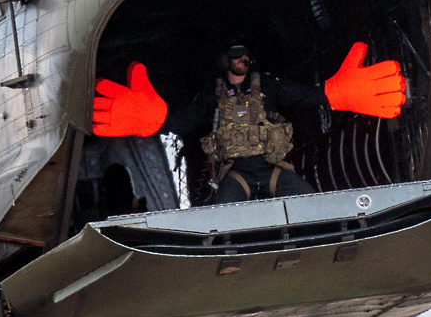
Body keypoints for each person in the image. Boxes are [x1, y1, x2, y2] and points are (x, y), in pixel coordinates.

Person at [92, 41, 407, 203]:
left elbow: (306, 96)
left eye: (244, 55)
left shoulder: (269, 85)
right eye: (236, 55)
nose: (241, 60)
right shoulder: (211, 94)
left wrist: (338, 93)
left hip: (270, 167)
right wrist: (155, 120)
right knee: (224, 226)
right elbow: (183, 122)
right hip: (237, 172)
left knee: (312, 204)